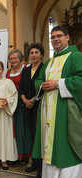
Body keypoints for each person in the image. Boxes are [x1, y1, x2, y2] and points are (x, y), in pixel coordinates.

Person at [32, 26, 82, 178]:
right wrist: (42, 85)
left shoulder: (76, 56)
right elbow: (39, 80)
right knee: (49, 150)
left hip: (65, 113)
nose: (55, 39)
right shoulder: (49, 62)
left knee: (67, 148)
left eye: (59, 36)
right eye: (53, 37)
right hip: (48, 115)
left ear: (67, 37)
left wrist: (58, 84)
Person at [19, 43, 44, 178]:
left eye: (36, 52)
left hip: (39, 106)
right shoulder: (25, 70)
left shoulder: (45, 69)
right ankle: (34, 164)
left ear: (41, 54)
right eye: (31, 53)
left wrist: (33, 101)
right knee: (32, 135)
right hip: (27, 106)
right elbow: (21, 88)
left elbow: (43, 88)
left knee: (38, 136)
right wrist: (24, 100)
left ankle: (41, 167)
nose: (33, 55)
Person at [6, 49, 32, 164]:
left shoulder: (26, 70)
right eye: (11, 58)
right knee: (13, 130)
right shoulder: (7, 72)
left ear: (20, 59)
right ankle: (14, 155)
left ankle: (25, 155)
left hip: (22, 103)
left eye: (15, 58)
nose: (13, 60)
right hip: (11, 105)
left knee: (23, 129)